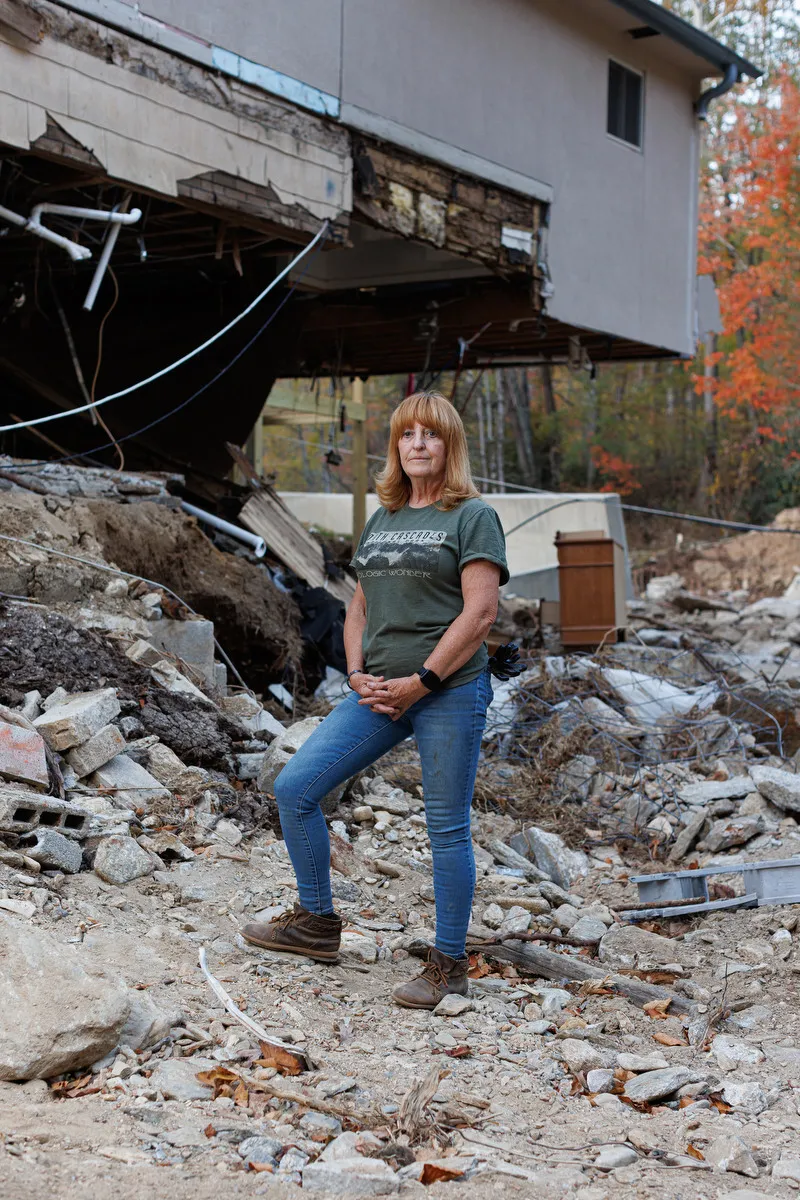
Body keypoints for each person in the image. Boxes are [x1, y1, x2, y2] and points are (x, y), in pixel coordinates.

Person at [243, 391, 509, 1008]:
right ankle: (315, 922)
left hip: (448, 690)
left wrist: (424, 682)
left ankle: (448, 965)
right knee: (295, 788)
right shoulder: (384, 517)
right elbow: (358, 605)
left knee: (445, 828)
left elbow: (481, 613)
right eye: (407, 434)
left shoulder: (472, 516)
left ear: (450, 445)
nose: (418, 444)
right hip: (379, 690)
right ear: (396, 446)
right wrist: (356, 672)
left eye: (431, 435)